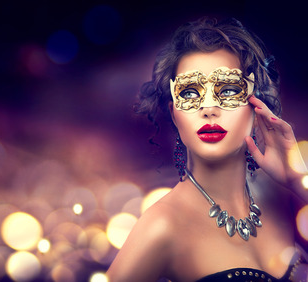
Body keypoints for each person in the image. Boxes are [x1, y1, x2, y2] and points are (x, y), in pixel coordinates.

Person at [107, 17, 308, 281]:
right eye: (190, 93)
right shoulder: (163, 225)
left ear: (255, 107)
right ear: (174, 114)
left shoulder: (284, 199)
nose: (209, 108)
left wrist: (298, 181)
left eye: (227, 90)